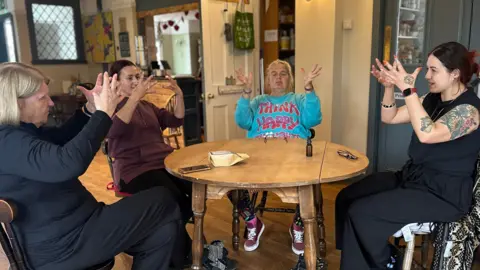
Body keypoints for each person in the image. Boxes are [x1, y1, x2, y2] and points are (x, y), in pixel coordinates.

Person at [0, 62, 184, 270]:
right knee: (163, 199)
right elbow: (67, 163)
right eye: (42, 98)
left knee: (163, 231)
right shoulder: (7, 142)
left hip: (79, 227)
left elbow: (61, 139)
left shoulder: (19, 134)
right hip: (64, 245)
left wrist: (90, 110)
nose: (51, 103)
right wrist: (103, 114)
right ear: (16, 103)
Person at [335, 41, 480, 269]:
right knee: (346, 198)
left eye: (434, 70)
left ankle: (383, 262)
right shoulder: (432, 99)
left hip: (443, 193)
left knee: (362, 213)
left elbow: (428, 134)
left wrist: (409, 90)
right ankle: (371, 257)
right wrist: (390, 88)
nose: (427, 76)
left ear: (454, 74)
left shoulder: (469, 111)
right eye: (428, 69)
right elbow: (389, 117)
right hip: (414, 177)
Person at [102, 60, 193, 266]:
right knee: (173, 199)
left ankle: (174, 242)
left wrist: (179, 95)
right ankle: (182, 254)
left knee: (194, 192)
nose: (136, 81)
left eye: (138, 76)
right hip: (134, 171)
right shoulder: (111, 108)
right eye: (130, 78)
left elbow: (175, 120)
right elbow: (113, 130)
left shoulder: (147, 105)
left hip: (164, 163)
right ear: (116, 81)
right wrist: (134, 98)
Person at [229, 59, 323, 254]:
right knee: (230, 185)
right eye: (274, 74)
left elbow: (313, 119)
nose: (278, 78)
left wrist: (309, 88)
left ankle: (298, 226)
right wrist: (246, 94)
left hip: (293, 158)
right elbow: (242, 121)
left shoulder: (299, 100)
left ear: (290, 79)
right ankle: (253, 223)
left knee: (312, 183)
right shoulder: (257, 102)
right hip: (259, 158)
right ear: (267, 80)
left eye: (283, 73)